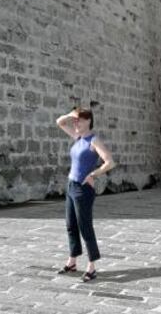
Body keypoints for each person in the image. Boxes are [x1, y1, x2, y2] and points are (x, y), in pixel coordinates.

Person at [56, 107, 115, 282]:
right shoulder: (78, 137)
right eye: (75, 121)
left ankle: (92, 266)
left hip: (83, 189)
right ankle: (72, 261)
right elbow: (59, 122)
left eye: (79, 120)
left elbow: (110, 162)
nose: (75, 123)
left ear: (88, 121)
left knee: (85, 227)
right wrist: (71, 114)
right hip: (70, 185)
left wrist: (93, 175)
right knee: (70, 225)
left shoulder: (93, 140)